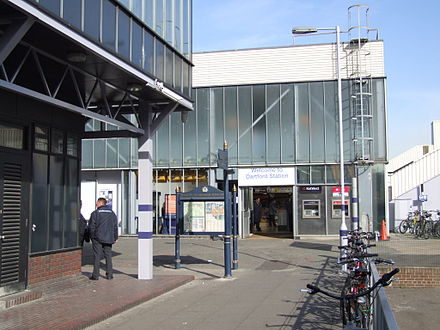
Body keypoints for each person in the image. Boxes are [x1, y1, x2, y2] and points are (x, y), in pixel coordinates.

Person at [89, 198, 118, 280]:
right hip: (109, 238)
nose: (96, 203)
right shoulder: (112, 213)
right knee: (108, 256)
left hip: (97, 238)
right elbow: (115, 226)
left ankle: (95, 275)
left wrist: (92, 237)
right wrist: (115, 237)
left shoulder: (95, 213)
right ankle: (109, 275)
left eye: (97, 202)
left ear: (100, 203)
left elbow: (91, 227)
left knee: (97, 256)